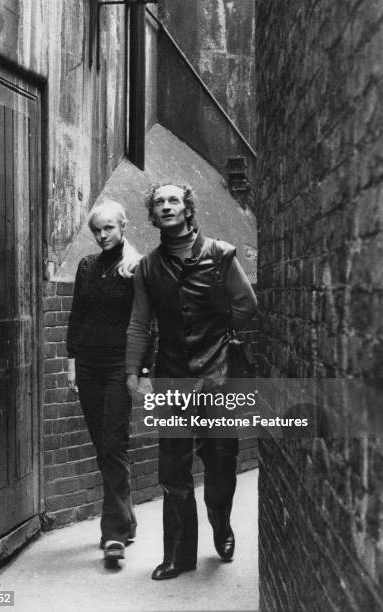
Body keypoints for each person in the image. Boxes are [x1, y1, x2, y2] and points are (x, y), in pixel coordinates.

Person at [126, 183, 257, 580]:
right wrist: (133, 373)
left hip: (217, 374)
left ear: (187, 210)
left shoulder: (219, 254)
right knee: (172, 468)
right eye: (159, 202)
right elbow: (138, 323)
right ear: (153, 215)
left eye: (173, 200)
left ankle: (222, 524)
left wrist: (218, 331)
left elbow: (246, 304)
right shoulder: (148, 267)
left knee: (220, 459)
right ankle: (178, 556)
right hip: (172, 377)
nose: (166, 206)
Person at [67, 200, 150, 564]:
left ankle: (113, 533)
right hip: (87, 364)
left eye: (109, 229)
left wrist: (142, 371)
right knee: (103, 444)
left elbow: (147, 324)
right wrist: (71, 364)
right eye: (97, 230)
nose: (102, 235)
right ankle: (127, 520)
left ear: (123, 227)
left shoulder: (136, 267)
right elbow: (77, 316)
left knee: (114, 443)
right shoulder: (86, 266)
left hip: (120, 365)